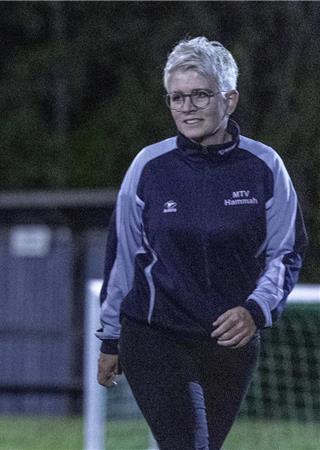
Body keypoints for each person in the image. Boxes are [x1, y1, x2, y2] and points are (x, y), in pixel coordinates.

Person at [96, 37, 306, 450]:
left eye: (200, 95)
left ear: (229, 99)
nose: (187, 107)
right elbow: (122, 257)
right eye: (177, 97)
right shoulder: (148, 166)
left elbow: (287, 251)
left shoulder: (265, 166)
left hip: (229, 343)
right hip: (155, 334)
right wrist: (110, 338)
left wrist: (255, 310)